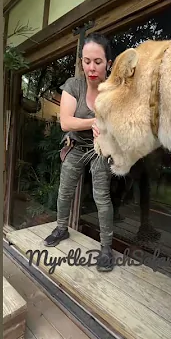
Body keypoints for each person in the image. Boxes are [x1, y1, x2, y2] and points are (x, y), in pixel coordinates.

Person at [43, 33, 116, 272]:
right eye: (86, 61)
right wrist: (96, 122)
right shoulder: (74, 85)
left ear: (109, 63)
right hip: (75, 146)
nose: (91, 67)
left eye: (97, 61)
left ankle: (106, 248)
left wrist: (106, 128)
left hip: (100, 148)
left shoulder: (114, 91)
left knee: (102, 197)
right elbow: (66, 122)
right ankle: (61, 228)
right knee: (65, 191)